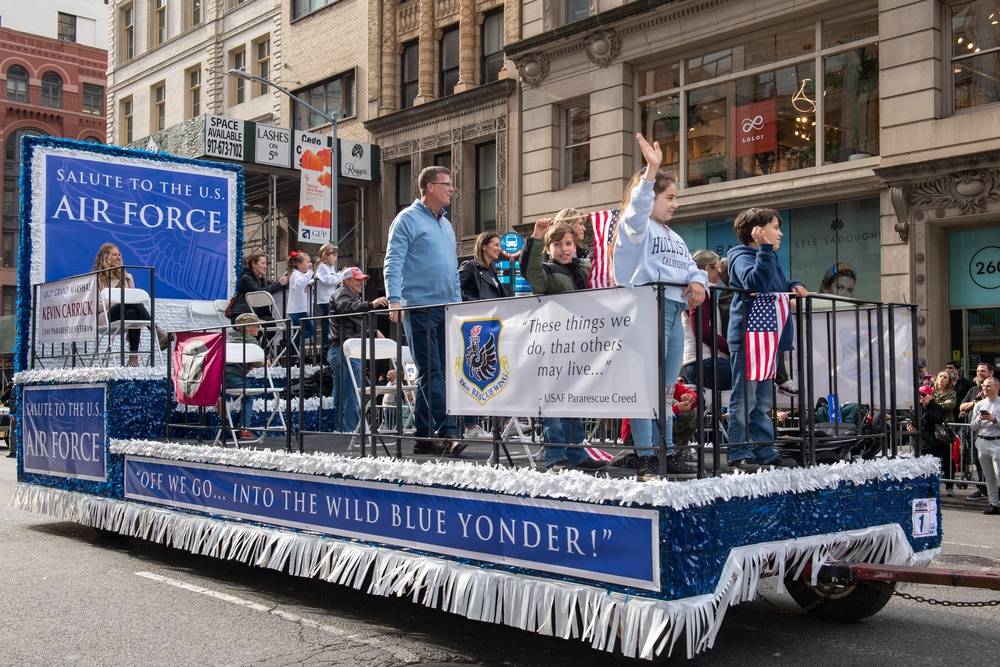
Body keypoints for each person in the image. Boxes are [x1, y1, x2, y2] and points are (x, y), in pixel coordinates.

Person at [610, 133, 706, 480]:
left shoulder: (674, 236)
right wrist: (650, 171)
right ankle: (646, 456)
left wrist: (698, 281)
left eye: (675, 198)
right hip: (646, 311)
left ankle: (666, 452)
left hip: (673, 314)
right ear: (651, 197)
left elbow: (692, 267)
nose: (674, 204)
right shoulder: (637, 228)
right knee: (644, 387)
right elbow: (635, 214)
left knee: (666, 389)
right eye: (669, 197)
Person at [383, 166, 463, 456]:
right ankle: (448, 430)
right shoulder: (406, 219)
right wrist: (394, 299)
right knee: (432, 370)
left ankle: (423, 436)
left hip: (445, 308)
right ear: (430, 187)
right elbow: (393, 260)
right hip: (418, 307)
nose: (452, 189)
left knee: (438, 372)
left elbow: (452, 269)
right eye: (447, 184)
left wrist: (456, 303)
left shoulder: (447, 224)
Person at [725, 208, 807, 472]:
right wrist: (764, 250)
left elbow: (775, 283)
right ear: (757, 231)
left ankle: (763, 450)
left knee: (762, 400)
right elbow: (756, 283)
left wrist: (794, 284)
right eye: (774, 226)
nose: (780, 232)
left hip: (767, 337)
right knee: (745, 398)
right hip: (750, 338)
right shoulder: (740, 255)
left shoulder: (767, 256)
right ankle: (740, 452)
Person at [525, 217, 606, 473]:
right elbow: (530, 271)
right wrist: (537, 238)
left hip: (580, 344)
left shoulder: (583, 268)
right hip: (554, 344)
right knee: (555, 401)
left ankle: (576, 452)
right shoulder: (547, 272)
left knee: (575, 400)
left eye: (568, 243)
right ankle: (555, 454)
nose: (564, 249)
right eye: (557, 244)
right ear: (548, 249)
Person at [458, 230, 511, 439]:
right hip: (475, 329)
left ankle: (507, 420)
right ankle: (471, 426)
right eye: (495, 244)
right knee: (473, 376)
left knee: (498, 375)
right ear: (483, 246)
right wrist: (478, 305)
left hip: (492, 330)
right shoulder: (471, 267)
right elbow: (455, 290)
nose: (499, 248)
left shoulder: (492, 273)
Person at [327, 267, 389, 434]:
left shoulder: (347, 295)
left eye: (362, 279)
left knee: (342, 395)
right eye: (357, 279)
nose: (361, 283)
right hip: (346, 350)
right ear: (347, 280)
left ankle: (342, 430)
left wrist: (372, 333)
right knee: (352, 394)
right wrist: (371, 304)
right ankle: (351, 432)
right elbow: (344, 307)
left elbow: (351, 323)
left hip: (341, 349)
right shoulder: (343, 293)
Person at [93, 243, 168, 367]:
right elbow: (96, 306)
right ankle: (158, 332)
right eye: (114, 255)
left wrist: (124, 300)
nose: (118, 257)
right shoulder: (97, 278)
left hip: (126, 314)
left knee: (133, 311)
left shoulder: (127, 277)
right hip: (107, 316)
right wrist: (117, 300)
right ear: (105, 258)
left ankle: (133, 357)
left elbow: (134, 301)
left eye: (119, 255)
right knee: (129, 302)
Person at [682, 249, 731, 391]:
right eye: (717, 269)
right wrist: (730, 348)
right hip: (702, 363)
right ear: (708, 269)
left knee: (752, 377)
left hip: (699, 362)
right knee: (752, 375)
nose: (720, 275)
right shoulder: (701, 292)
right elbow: (701, 329)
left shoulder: (703, 291)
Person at [222, 313, 264, 440]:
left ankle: (219, 400)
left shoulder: (235, 340)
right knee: (247, 399)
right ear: (247, 328)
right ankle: (244, 428)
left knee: (236, 395)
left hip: (225, 374)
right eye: (256, 325)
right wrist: (265, 362)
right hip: (236, 374)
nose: (259, 327)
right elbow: (257, 362)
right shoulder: (251, 341)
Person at [907, 384, 954, 495]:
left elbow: (932, 419)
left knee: (935, 466)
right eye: (919, 395)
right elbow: (912, 420)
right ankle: (923, 488)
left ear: (931, 396)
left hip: (934, 443)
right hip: (920, 442)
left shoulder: (935, 407)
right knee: (920, 466)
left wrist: (922, 408)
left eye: (924, 395)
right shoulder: (916, 408)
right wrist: (909, 426)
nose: (921, 397)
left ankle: (940, 487)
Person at [959, 363, 994, 500]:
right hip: (976, 434)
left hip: (994, 436)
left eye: (983, 371)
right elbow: (962, 406)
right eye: (978, 371)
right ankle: (982, 488)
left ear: (991, 373)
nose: (980, 373)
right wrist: (975, 402)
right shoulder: (973, 390)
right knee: (978, 462)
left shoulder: (996, 391)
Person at [228, 251, 289, 324]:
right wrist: (279, 283)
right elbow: (260, 292)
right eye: (263, 263)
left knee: (270, 322)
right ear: (253, 264)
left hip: (254, 314)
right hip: (242, 315)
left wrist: (284, 281)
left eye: (265, 264)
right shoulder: (246, 279)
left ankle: (258, 335)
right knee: (270, 323)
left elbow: (273, 285)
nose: (265, 266)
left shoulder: (260, 279)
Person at [971, 377, 1000, 515]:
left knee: (999, 473)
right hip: (983, 441)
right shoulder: (979, 404)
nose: (985, 388)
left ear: (997, 387)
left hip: (997, 442)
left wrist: (994, 419)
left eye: (988, 386)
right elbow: (973, 426)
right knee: (989, 476)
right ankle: (994, 503)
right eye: (984, 386)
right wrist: (979, 418)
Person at [313, 243, 343, 352]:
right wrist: (341, 275)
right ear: (326, 255)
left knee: (330, 321)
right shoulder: (322, 266)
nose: (335, 259)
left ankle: (329, 342)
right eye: (333, 256)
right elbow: (330, 281)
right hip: (325, 299)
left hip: (329, 298)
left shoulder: (329, 267)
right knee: (327, 322)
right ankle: (326, 344)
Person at [285, 250, 315, 359]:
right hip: (298, 309)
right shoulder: (295, 274)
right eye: (307, 262)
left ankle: (294, 355)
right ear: (300, 264)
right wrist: (310, 272)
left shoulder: (297, 274)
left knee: (299, 330)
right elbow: (300, 283)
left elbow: (304, 282)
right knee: (309, 330)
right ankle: (291, 343)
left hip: (297, 308)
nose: (309, 264)